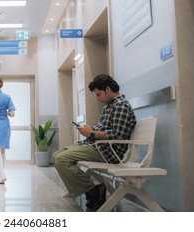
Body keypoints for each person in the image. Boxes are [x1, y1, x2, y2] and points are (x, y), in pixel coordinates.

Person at [53, 74, 136, 211]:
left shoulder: (121, 106)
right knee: (56, 155)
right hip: (98, 147)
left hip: (108, 152)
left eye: (98, 94)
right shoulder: (108, 106)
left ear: (108, 89)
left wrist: (91, 133)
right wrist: (90, 130)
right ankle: (89, 190)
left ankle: (94, 192)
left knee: (62, 159)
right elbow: (103, 129)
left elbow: (117, 135)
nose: (97, 99)